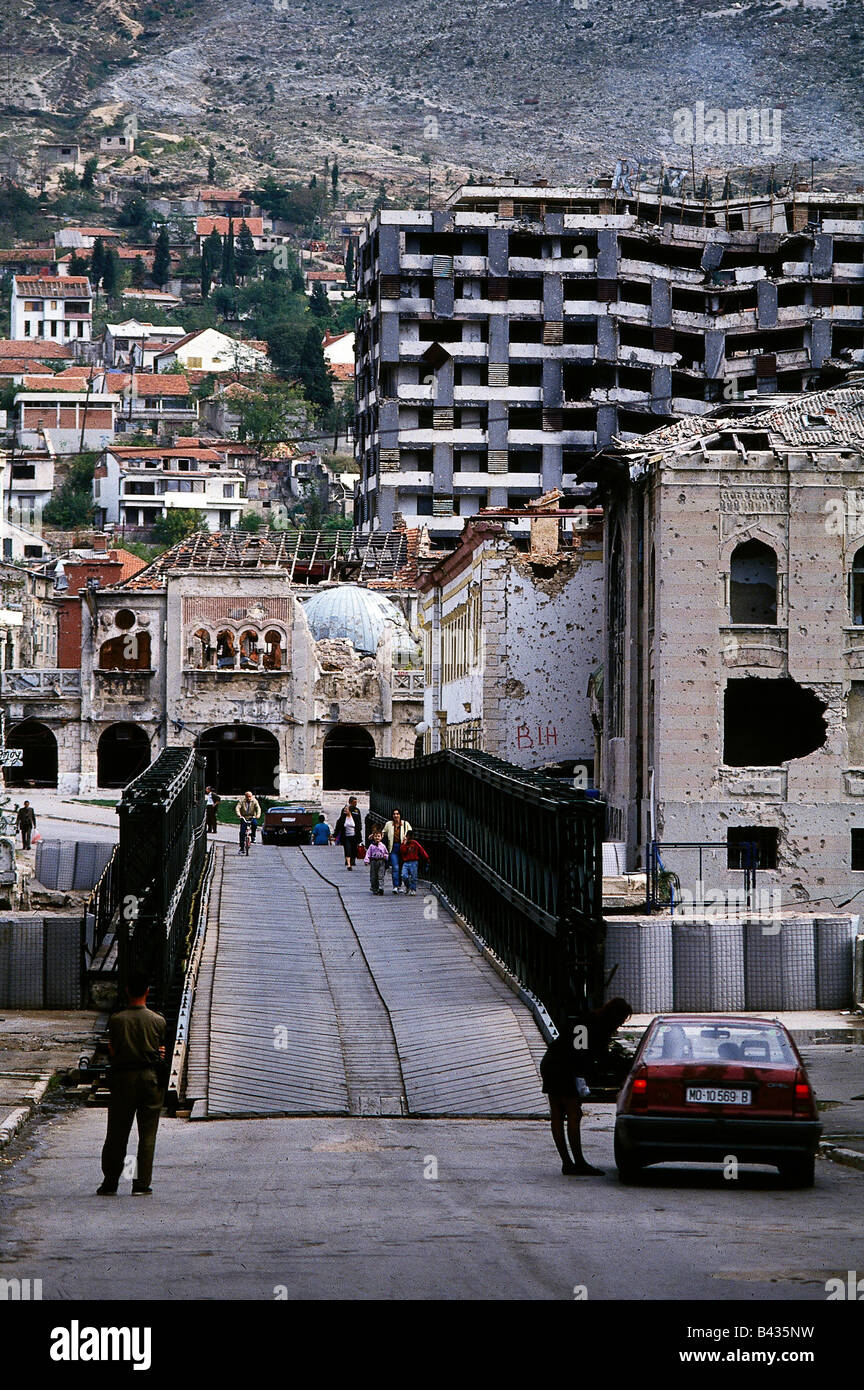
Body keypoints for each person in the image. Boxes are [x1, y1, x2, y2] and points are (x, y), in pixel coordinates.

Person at [540, 997, 632, 1177]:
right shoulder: (591, 1025)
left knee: (557, 1115)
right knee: (574, 1113)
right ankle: (578, 1163)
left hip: (551, 1062)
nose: (619, 1026)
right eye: (620, 1021)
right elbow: (579, 1054)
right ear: (614, 1017)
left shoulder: (588, 1022)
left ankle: (568, 1163)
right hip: (562, 1067)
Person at [97, 970, 167, 1196]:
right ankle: (140, 1184)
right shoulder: (158, 1021)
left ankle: (111, 1183)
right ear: (147, 991)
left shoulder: (117, 1021)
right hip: (149, 1081)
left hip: (123, 1080)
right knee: (146, 1136)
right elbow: (160, 1053)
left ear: (127, 991)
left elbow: (112, 1050)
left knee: (118, 1133)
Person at [382, 808, 412, 893]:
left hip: (403, 848)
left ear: (400, 815)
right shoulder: (388, 824)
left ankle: (399, 885)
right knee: (395, 867)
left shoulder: (406, 824)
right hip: (393, 848)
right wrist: (374, 835)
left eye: (397, 814)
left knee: (402, 867)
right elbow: (383, 833)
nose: (396, 815)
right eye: (394, 814)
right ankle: (395, 885)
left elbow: (411, 833)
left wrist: (407, 839)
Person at [334, 800, 362, 869]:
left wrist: (359, 836)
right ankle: (349, 864)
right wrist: (334, 835)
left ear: (349, 810)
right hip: (346, 836)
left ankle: (352, 860)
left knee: (353, 849)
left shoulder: (355, 816)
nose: (345, 810)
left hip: (354, 836)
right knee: (347, 849)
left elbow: (358, 826)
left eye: (346, 809)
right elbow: (338, 826)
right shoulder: (343, 818)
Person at [366, 828, 389, 894]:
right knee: (373, 875)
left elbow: (386, 853)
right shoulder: (371, 846)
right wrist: (367, 860)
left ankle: (380, 888)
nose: (377, 838)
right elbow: (368, 853)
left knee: (380, 875)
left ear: (381, 837)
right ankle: (374, 888)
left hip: (381, 861)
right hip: (373, 861)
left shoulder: (383, 846)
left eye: (378, 836)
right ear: (373, 837)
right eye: (375, 836)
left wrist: (386, 857)